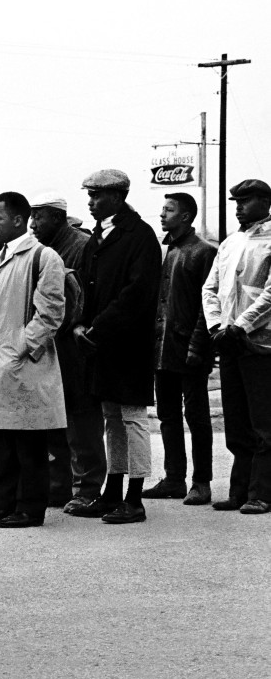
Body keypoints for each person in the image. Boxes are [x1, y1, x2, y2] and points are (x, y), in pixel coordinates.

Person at [0, 192, 67, 528]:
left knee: (28, 443)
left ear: (17, 219)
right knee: (2, 442)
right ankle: (3, 502)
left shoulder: (43, 257)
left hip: (22, 365)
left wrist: (17, 350)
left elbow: (51, 313)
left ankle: (30, 508)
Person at [68, 169, 161, 525]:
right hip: (99, 344)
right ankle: (112, 490)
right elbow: (87, 289)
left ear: (118, 196)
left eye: (96, 196)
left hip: (128, 344)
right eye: (89, 196)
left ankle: (134, 498)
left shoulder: (139, 235)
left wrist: (97, 326)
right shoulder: (97, 237)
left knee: (133, 418)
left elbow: (137, 293)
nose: (90, 202)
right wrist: (79, 324)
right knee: (111, 419)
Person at [29, 193, 103, 510]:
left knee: (81, 417)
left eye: (39, 216)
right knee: (54, 418)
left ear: (57, 217)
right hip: (51, 345)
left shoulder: (82, 246)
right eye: (30, 216)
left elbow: (91, 296)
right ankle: (59, 485)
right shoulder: (42, 251)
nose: (33, 223)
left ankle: (87, 488)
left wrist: (82, 326)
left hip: (76, 346)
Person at [143, 192, 216, 505]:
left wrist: (198, 345)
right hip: (164, 347)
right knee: (167, 415)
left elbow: (209, 303)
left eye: (169, 209)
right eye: (162, 208)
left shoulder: (203, 252)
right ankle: (174, 478)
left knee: (197, 416)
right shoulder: (167, 250)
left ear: (186, 216)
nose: (162, 214)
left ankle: (202, 482)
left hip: (190, 347)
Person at [203, 179, 271, 514]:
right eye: (236, 200)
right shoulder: (230, 242)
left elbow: (270, 295)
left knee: (263, 422)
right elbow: (210, 287)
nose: (238, 206)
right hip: (229, 341)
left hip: (260, 343)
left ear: (265, 202)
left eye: (246, 200)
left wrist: (240, 326)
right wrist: (217, 325)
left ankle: (262, 492)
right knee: (236, 422)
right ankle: (239, 490)